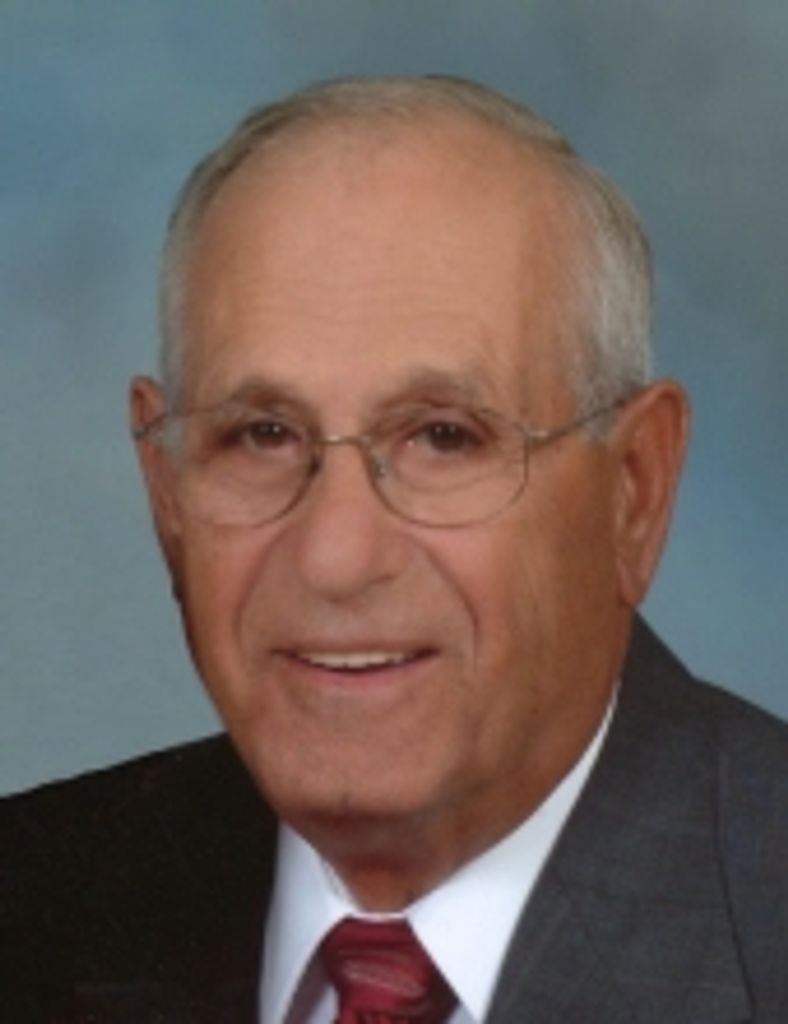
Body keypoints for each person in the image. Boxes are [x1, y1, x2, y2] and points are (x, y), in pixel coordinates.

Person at [2, 75, 787, 1023]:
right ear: (166, 493)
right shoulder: (32, 904)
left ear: (635, 491)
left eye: (444, 438)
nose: (334, 558)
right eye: (261, 435)